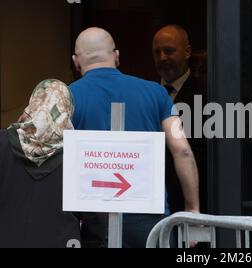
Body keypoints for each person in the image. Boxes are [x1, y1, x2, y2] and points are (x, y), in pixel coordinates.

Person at [70, 27, 200, 248]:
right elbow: (183, 150)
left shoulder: (67, 97)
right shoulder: (157, 93)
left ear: (76, 61)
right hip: (149, 223)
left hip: (94, 223)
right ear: (117, 57)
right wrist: (192, 210)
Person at [0, 79, 81, 248]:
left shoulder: (2, 142)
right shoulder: (78, 154)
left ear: (33, 103)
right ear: (67, 109)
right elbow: (95, 220)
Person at [152, 25, 207, 213]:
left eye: (168, 51)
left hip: (195, 202)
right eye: (157, 52)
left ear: (187, 52)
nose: (162, 58)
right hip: (154, 201)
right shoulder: (148, 93)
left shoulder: (207, 95)